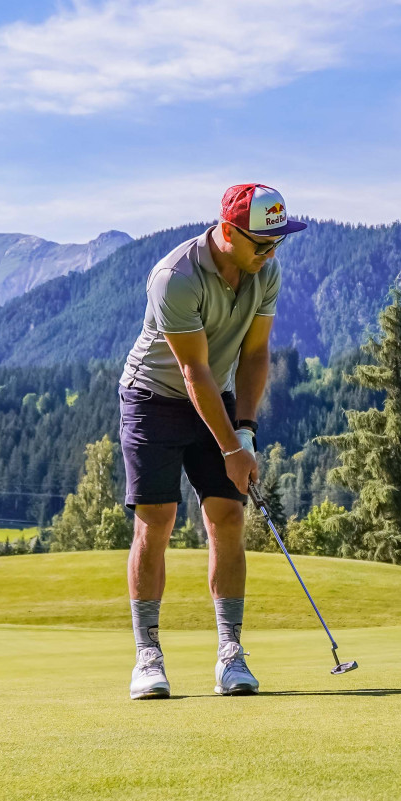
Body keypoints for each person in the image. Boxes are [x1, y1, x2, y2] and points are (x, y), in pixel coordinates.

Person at [117, 183, 307, 699]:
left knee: (228, 514)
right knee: (157, 521)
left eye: (277, 244)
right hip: (152, 399)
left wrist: (244, 430)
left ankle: (230, 655)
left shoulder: (263, 272)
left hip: (213, 397)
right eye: (260, 244)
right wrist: (230, 450)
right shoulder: (174, 278)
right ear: (227, 231)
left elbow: (255, 354)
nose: (269, 255)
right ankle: (148, 657)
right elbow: (192, 369)